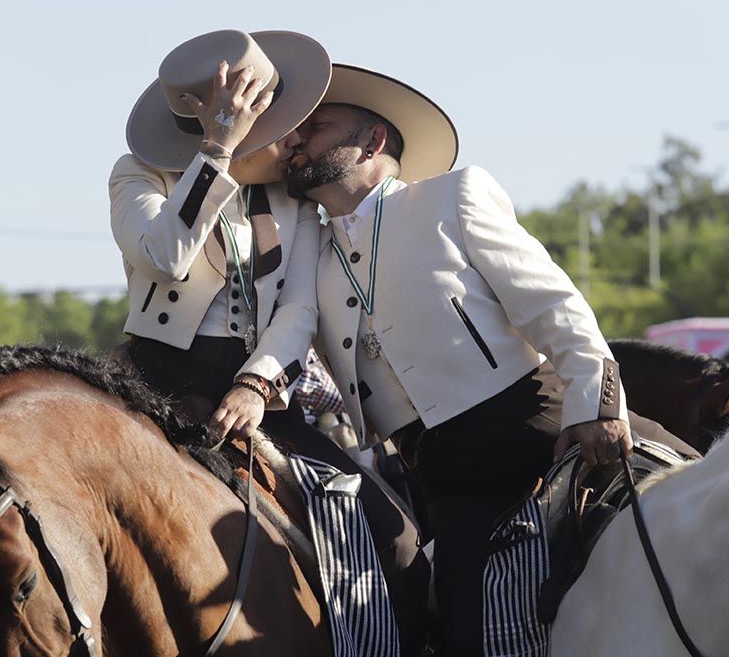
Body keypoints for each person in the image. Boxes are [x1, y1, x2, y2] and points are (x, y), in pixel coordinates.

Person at [286, 64, 699, 656]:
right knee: (468, 637)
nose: (298, 141)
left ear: (372, 142)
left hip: (541, 427)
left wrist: (599, 403)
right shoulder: (311, 254)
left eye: (318, 126)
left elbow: (555, 305)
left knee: (712, 514)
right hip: (443, 475)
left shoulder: (452, 196)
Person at [110, 33, 428, 655]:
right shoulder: (137, 174)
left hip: (255, 391)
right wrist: (216, 152)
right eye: (273, 123)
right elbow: (168, 255)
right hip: (151, 384)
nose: (291, 138)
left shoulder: (293, 197)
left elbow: (299, 307)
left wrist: (257, 384)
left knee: (397, 539)